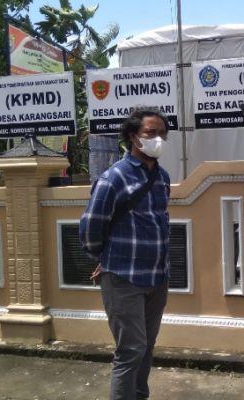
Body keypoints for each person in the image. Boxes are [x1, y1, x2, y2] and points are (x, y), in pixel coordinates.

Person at [79, 108, 171, 400]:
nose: (158, 139)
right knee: (130, 350)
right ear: (133, 136)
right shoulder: (113, 178)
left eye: (162, 133)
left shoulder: (162, 177)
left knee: (146, 348)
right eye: (151, 133)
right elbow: (91, 227)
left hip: (157, 277)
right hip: (123, 278)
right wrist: (104, 258)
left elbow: (159, 221)